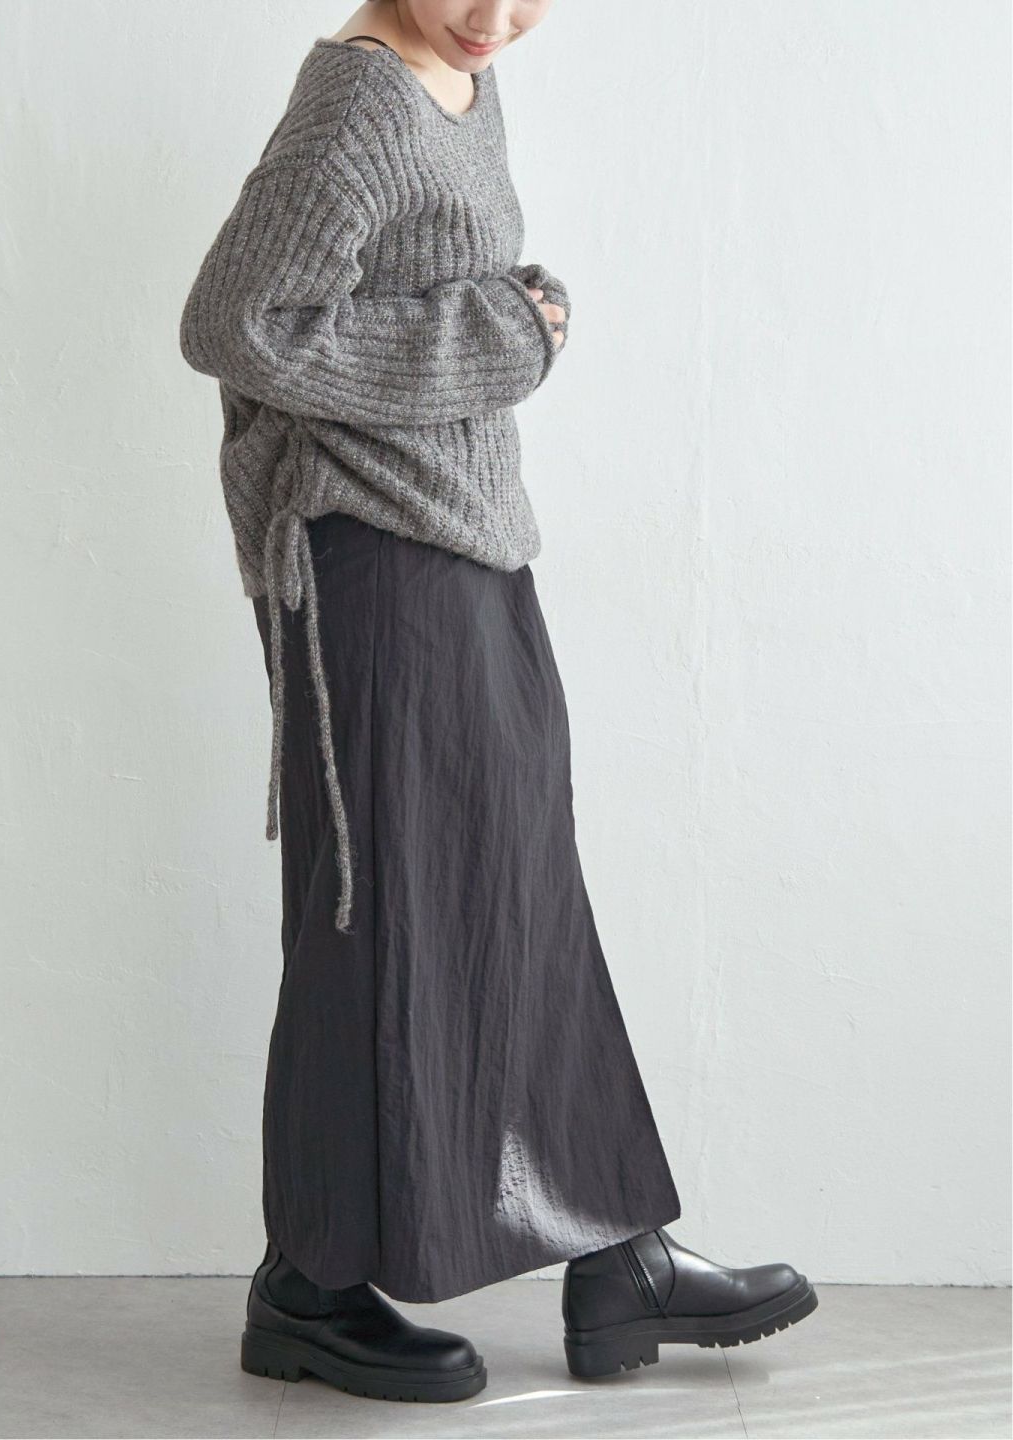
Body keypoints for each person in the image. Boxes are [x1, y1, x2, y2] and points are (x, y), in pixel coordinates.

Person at [179, 0, 817, 1404]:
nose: (496, 17)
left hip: (465, 542)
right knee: (377, 911)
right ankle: (311, 1286)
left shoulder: (456, 77)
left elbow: (413, 294)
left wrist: (503, 317)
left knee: (520, 883)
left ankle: (612, 1251)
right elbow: (236, 323)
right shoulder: (359, 102)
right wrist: (501, 332)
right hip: (367, 555)